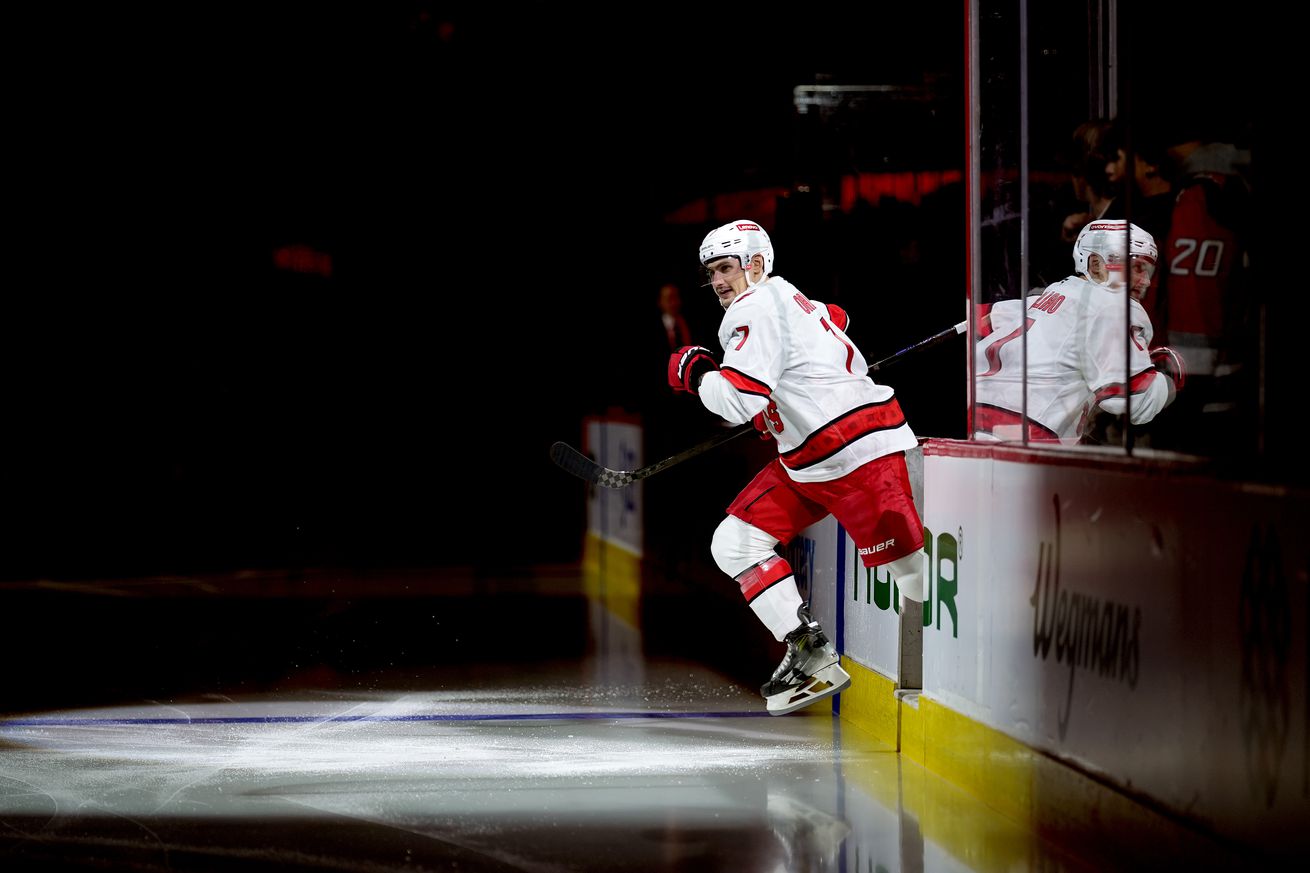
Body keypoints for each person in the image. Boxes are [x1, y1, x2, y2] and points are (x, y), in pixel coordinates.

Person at [666, 219, 929, 716]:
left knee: (915, 581)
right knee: (734, 542)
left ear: (757, 264)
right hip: (815, 457)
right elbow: (829, 330)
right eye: (712, 272)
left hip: (854, 457)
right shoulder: (787, 297)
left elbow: (738, 400)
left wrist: (697, 373)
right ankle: (809, 652)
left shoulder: (754, 306)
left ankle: (931, 683)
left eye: (727, 267)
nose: (719, 281)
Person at [972, 220, 1184, 444]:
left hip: (975, 417)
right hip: (1026, 434)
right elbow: (1136, 401)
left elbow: (980, 319)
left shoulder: (1053, 294)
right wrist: (1171, 375)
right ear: (1096, 265)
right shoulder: (1113, 307)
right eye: (1136, 267)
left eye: (1148, 270)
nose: (1147, 281)